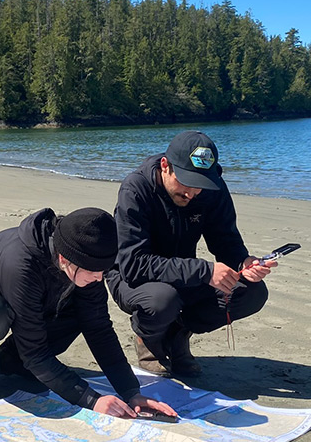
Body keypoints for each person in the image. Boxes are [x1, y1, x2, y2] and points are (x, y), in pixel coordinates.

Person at [0, 207, 176, 419]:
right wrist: (91, 400)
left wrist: (131, 391)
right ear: (65, 259)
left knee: (78, 312)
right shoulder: (20, 263)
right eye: (94, 272)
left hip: (9, 300)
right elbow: (35, 352)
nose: (100, 278)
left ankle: (10, 359)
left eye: (104, 270)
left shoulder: (88, 260)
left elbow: (98, 328)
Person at [105, 131, 275, 377]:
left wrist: (244, 262)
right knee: (163, 300)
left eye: (201, 185)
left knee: (251, 292)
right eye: (186, 181)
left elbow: (225, 240)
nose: (192, 192)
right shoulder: (136, 188)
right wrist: (205, 271)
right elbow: (133, 264)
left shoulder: (211, 189)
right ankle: (148, 338)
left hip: (182, 273)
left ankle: (177, 333)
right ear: (166, 166)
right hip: (132, 278)